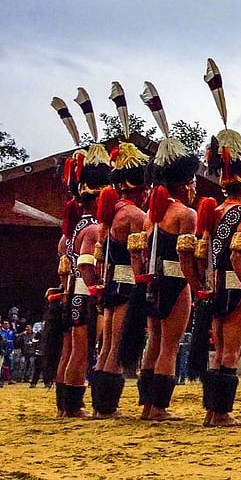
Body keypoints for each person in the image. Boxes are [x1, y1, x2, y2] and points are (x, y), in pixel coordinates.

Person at [195, 58, 241, 427]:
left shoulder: (212, 211)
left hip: (212, 288)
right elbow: (238, 257)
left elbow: (201, 253)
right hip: (235, 288)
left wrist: (200, 286)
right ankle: (221, 414)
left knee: (217, 349)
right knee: (230, 352)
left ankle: (211, 412)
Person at [137, 82, 202, 421]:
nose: (195, 187)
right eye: (192, 182)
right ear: (183, 182)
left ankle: (148, 405)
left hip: (151, 283)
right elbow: (187, 257)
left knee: (154, 342)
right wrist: (199, 284)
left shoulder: (152, 215)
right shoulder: (184, 215)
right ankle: (159, 407)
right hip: (176, 283)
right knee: (169, 346)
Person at [92, 83, 153, 419]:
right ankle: (107, 407)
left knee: (107, 346)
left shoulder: (110, 214)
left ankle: (103, 404)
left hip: (111, 283)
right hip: (127, 283)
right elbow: (136, 256)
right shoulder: (133, 215)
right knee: (115, 345)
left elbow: (102, 256)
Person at [53, 90, 109, 418]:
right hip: (83, 295)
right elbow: (86, 265)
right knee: (81, 350)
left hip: (69, 294)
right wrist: (98, 290)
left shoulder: (70, 232)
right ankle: (73, 406)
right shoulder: (91, 229)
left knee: (69, 348)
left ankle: (64, 405)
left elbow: (64, 267)